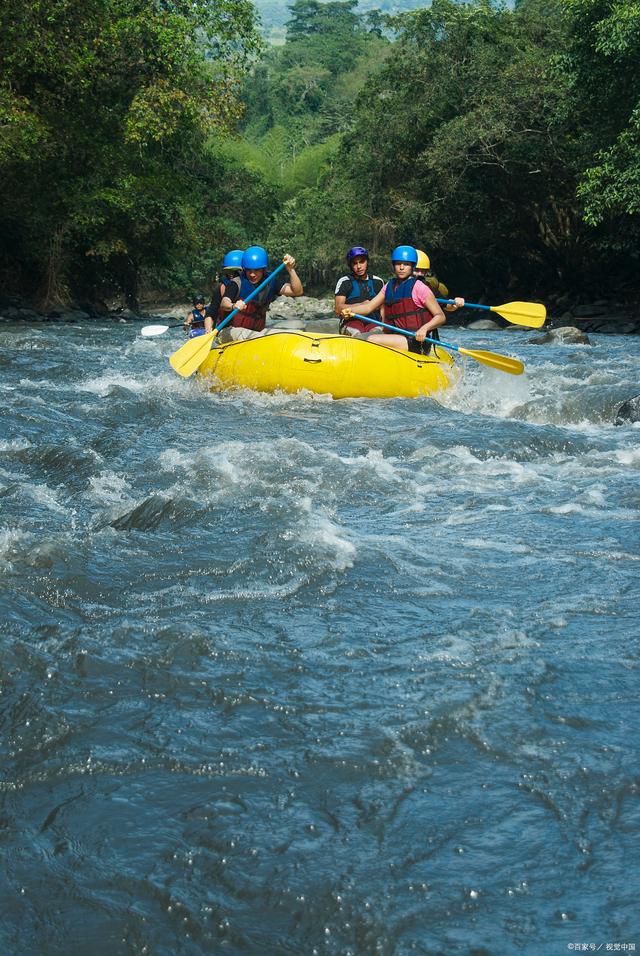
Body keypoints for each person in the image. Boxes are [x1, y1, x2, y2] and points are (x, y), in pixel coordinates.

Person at [341, 245, 446, 354]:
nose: (401, 267)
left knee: (372, 339)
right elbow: (369, 307)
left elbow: (440, 316)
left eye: (406, 264)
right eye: (398, 264)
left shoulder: (420, 287)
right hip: (393, 336)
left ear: (412, 266)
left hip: (415, 340)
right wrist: (351, 311)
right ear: (393, 265)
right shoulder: (389, 286)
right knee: (359, 339)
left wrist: (424, 329)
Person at [218, 245, 303, 342]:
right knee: (257, 337)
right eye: (249, 270)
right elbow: (224, 303)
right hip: (230, 332)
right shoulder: (236, 283)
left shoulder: (270, 281)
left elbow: (297, 291)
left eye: (257, 270)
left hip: (256, 332)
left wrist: (290, 270)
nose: (252, 274)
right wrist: (233, 306)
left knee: (292, 335)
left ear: (264, 269)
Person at [334, 247, 385, 338]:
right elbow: (338, 309)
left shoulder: (378, 282)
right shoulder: (344, 281)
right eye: (355, 263)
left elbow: (383, 309)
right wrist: (361, 305)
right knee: (357, 334)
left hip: (374, 321)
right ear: (351, 265)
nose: (359, 266)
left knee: (377, 335)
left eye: (361, 262)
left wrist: (385, 326)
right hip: (351, 322)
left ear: (367, 262)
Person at [414, 249, 464, 313]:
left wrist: (454, 303)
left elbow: (446, 305)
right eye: (416, 270)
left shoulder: (426, 286)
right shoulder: (398, 286)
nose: (420, 274)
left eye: (423, 270)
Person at [208, 250, 244, 325]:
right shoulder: (221, 288)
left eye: (236, 271)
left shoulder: (255, 287)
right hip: (227, 330)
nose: (231, 274)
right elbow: (210, 314)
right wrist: (208, 331)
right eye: (228, 271)